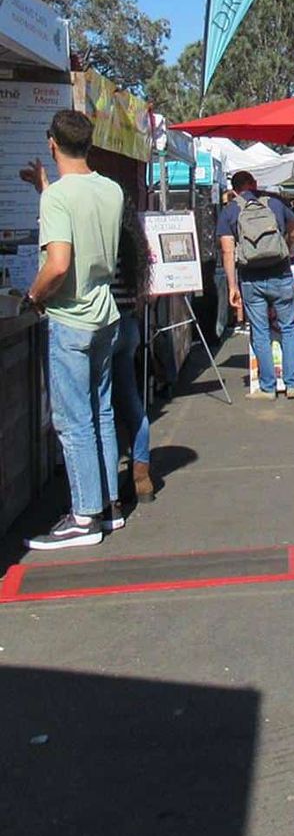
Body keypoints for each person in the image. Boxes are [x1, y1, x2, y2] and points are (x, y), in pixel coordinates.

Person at [20, 110, 125, 549]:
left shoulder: (58, 198)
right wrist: (46, 188)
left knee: (73, 420)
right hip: (105, 312)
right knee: (101, 412)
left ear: (51, 143)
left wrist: (32, 296)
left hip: (71, 318)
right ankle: (109, 504)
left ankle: (84, 516)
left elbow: (59, 263)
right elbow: (82, 223)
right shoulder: (111, 189)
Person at [218, 170, 294, 401]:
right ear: (253, 184)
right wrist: (289, 250)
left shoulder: (230, 211)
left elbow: (227, 251)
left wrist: (232, 286)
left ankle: (267, 388)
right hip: (280, 272)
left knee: (260, 331)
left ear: (234, 190)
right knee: (287, 328)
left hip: (251, 277)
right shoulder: (276, 203)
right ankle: (293, 384)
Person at [110, 196, 154, 503]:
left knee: (102, 409)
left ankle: (107, 481)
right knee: (131, 402)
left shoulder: (102, 238)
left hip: (105, 325)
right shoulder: (133, 244)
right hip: (129, 326)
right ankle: (142, 475)